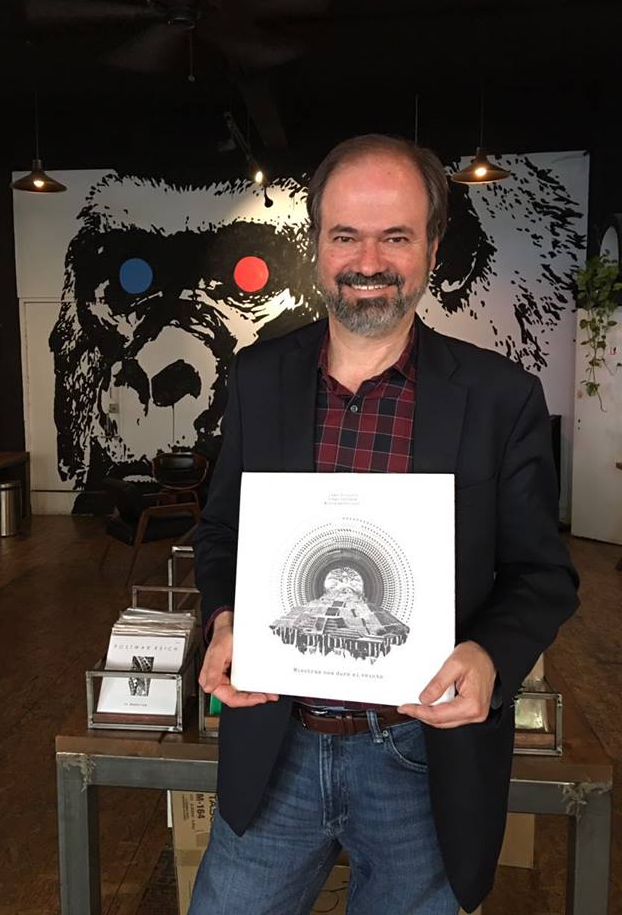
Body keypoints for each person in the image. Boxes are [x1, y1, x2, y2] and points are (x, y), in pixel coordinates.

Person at [190, 135, 579, 915]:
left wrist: (490, 656)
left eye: (395, 236)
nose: (369, 261)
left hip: (420, 758)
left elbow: (544, 576)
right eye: (347, 235)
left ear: (431, 247)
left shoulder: (502, 398)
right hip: (276, 742)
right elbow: (221, 533)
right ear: (317, 245)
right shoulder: (259, 378)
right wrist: (227, 619)